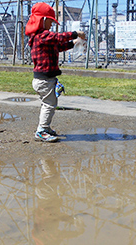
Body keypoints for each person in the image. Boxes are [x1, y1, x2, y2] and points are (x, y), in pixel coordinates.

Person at [25, 2, 86, 142]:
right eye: (51, 22)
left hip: (45, 79)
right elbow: (57, 38)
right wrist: (75, 33)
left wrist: (74, 43)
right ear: (43, 20)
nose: (52, 25)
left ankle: (45, 128)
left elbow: (58, 46)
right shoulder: (41, 36)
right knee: (49, 105)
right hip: (44, 80)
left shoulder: (41, 38)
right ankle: (41, 130)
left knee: (48, 104)